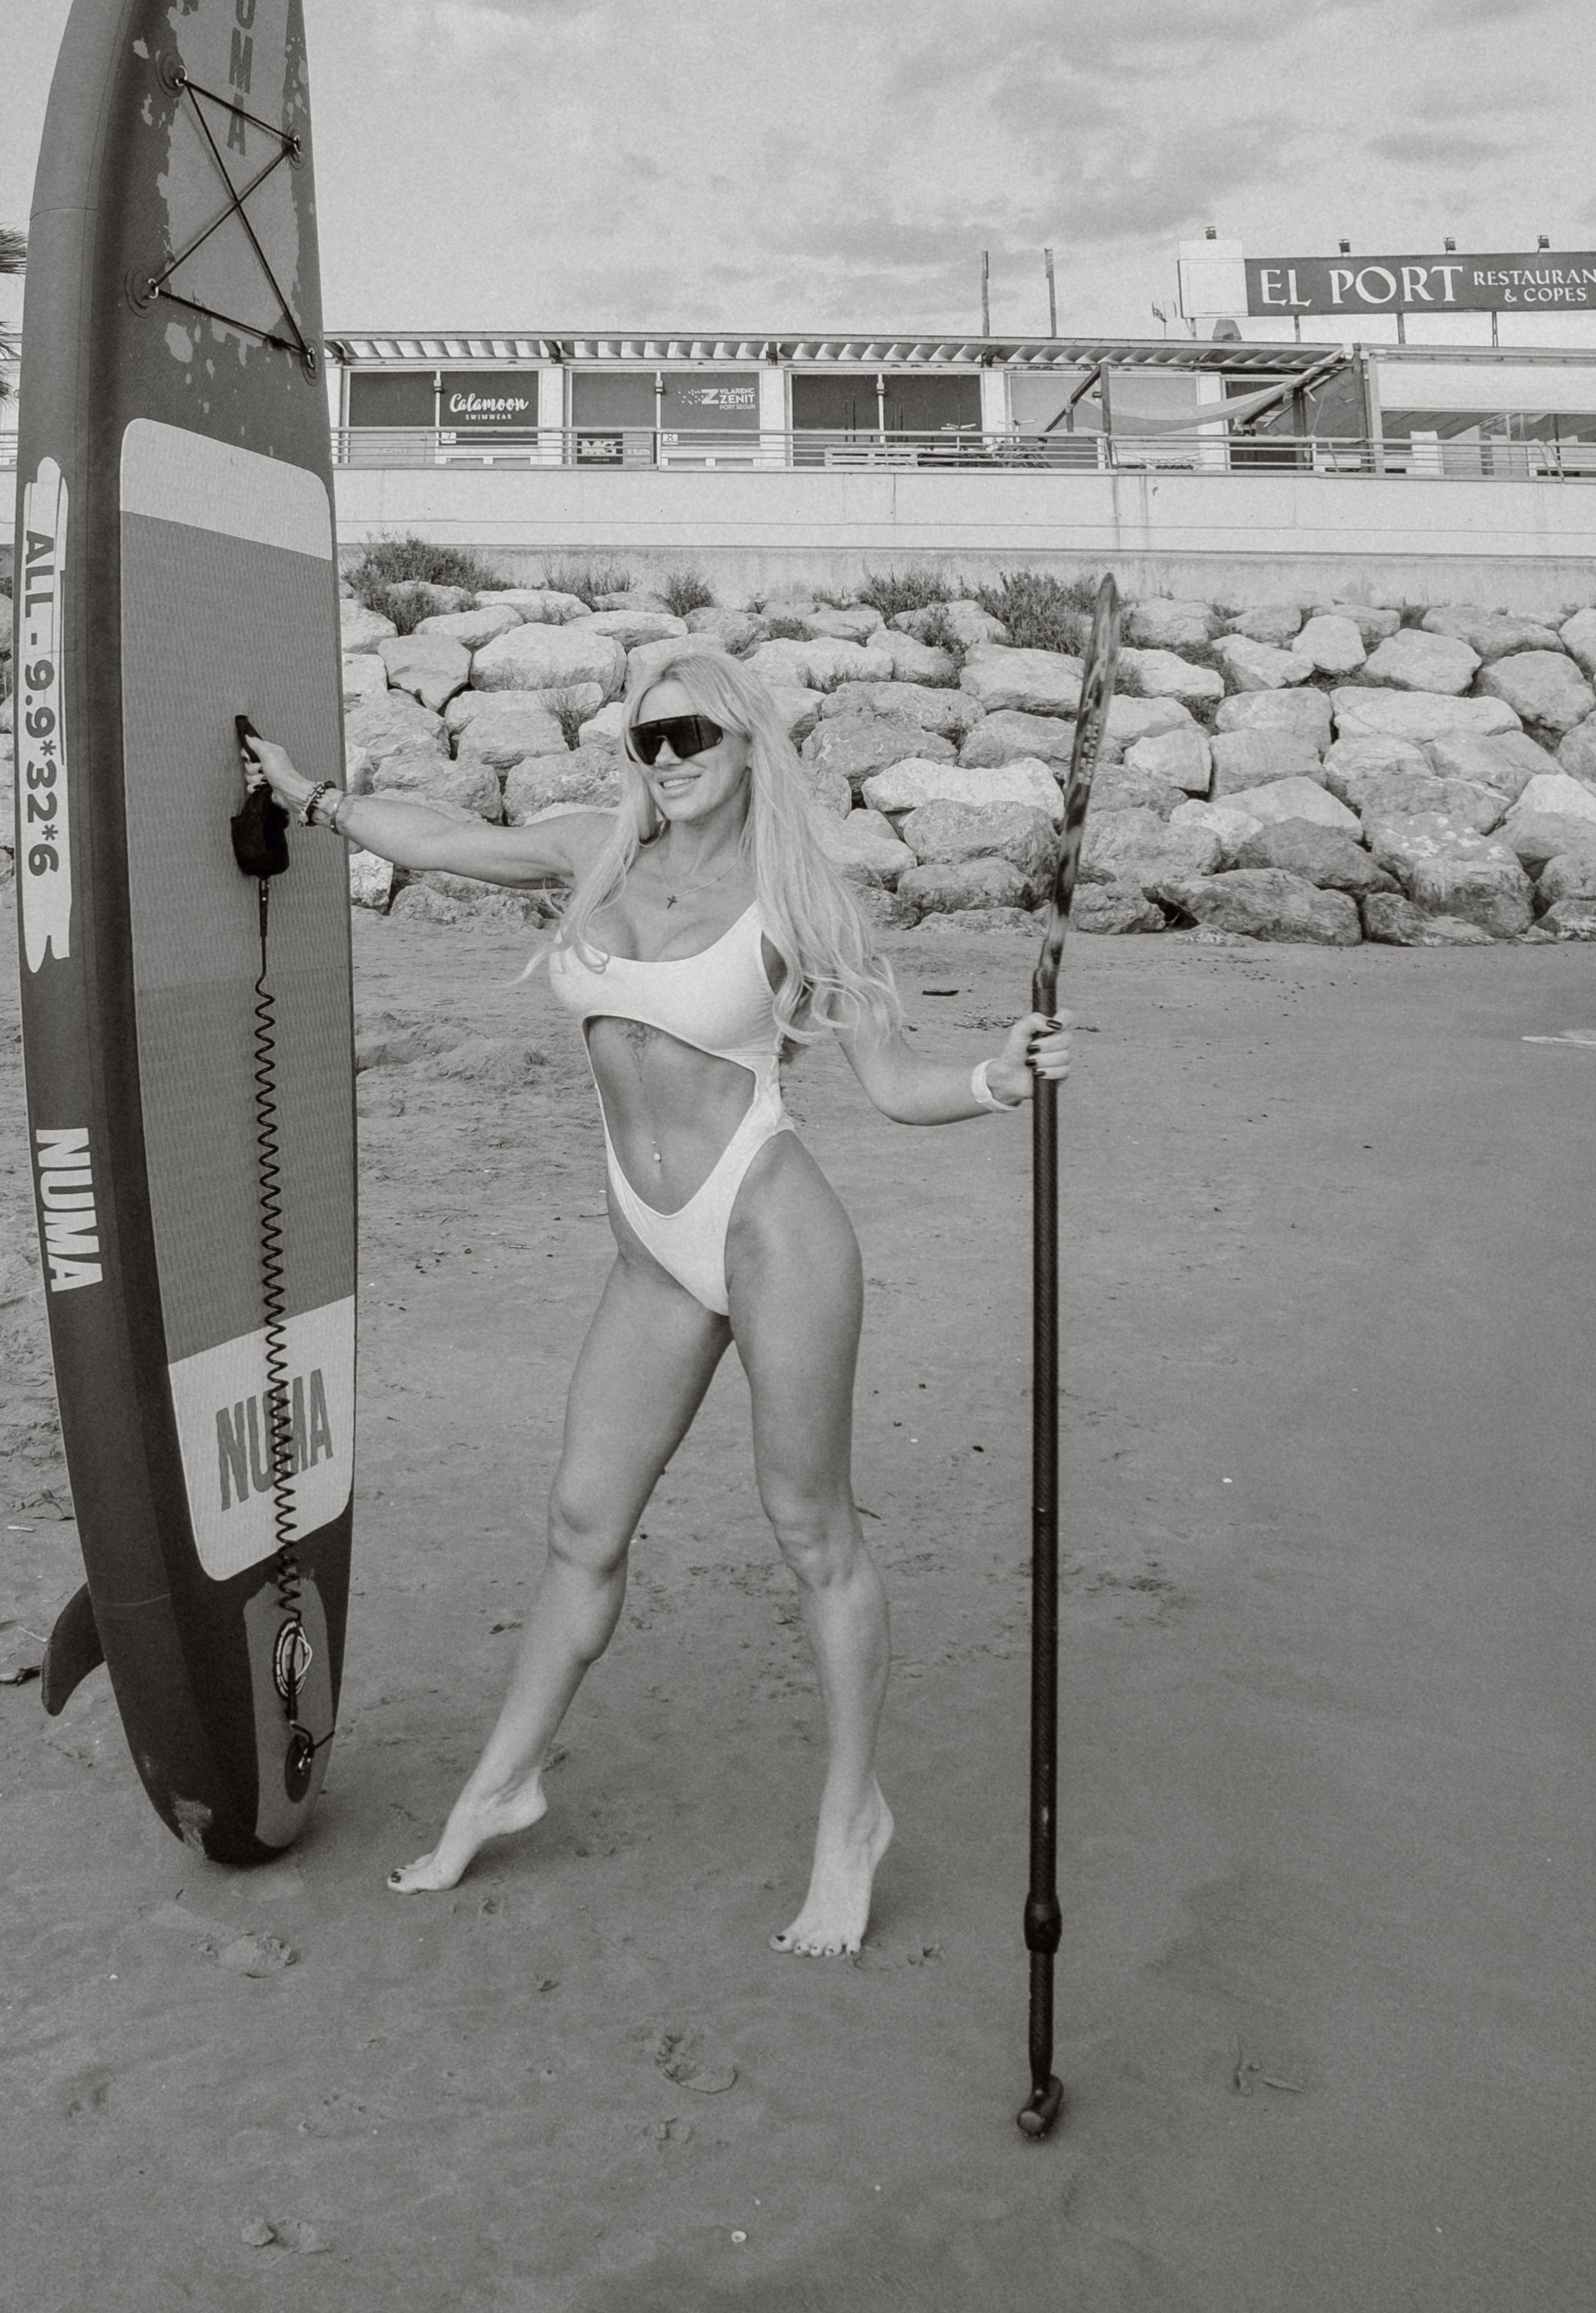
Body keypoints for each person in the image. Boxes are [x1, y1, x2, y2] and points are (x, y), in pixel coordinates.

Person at [247, 647, 1070, 1957]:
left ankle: (851, 1817)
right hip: (650, 1248)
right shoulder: (598, 851)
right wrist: (312, 797)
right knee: (582, 1524)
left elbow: (892, 1077)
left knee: (813, 1531)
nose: (669, 758)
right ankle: (502, 1785)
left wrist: (995, 1078)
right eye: (646, 740)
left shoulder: (797, 895)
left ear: (744, 742)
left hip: (769, 1225)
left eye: (691, 734)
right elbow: (447, 840)